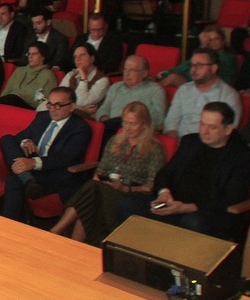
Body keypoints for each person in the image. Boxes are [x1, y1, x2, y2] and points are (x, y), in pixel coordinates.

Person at [115, 103, 250, 240]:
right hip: (173, 203)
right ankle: (136, 255)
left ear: (228, 129)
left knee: (193, 222)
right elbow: (165, 172)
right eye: (202, 124)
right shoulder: (190, 141)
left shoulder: (242, 156)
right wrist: (164, 192)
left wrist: (188, 207)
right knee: (126, 203)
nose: (204, 131)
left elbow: (233, 198)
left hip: (207, 212)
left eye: (212, 127)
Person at [51, 102, 166, 245]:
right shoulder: (115, 141)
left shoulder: (154, 149)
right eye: (125, 122)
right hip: (104, 188)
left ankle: (56, 232)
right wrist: (100, 179)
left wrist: (126, 188)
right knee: (93, 191)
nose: (127, 128)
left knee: (93, 191)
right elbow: (101, 170)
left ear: (144, 124)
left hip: (130, 196)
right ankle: (72, 243)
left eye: (133, 124)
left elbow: (151, 186)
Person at [0, 86, 93, 221]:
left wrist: (33, 163)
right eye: (50, 104)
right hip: (31, 165)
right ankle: (27, 178)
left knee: (13, 181)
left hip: (55, 172)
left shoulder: (80, 128)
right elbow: (19, 137)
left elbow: (65, 158)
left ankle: (7, 226)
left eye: (58, 105)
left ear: (72, 107)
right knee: (6, 139)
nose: (52, 109)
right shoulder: (42, 117)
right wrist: (26, 141)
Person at [163, 47, 242, 138]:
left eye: (199, 65)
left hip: (208, 146)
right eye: (192, 65)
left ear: (213, 68)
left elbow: (227, 131)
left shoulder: (229, 95)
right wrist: (174, 143)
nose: (194, 69)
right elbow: (171, 121)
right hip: (179, 142)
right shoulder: (183, 89)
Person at [96, 55, 167, 138]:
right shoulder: (115, 87)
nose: (126, 74)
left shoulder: (155, 90)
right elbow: (104, 108)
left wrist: (134, 118)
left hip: (136, 132)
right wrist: (104, 117)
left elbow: (159, 118)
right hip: (111, 129)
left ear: (144, 74)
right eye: (125, 69)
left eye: (132, 70)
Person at [0, 41, 58, 118]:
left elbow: (46, 101)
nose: (30, 56)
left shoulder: (48, 75)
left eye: (34, 54)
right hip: (10, 101)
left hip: (29, 107)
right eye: (29, 54)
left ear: (43, 56)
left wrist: (22, 96)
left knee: (11, 98)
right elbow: (6, 91)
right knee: (2, 101)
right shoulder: (20, 70)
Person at [158, 25, 238, 87]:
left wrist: (203, 46)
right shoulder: (208, 54)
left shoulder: (228, 57)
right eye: (209, 40)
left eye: (216, 39)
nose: (213, 42)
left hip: (215, 86)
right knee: (170, 77)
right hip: (198, 80)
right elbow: (186, 65)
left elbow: (201, 71)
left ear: (223, 40)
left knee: (173, 77)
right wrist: (165, 74)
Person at [50, 44, 109, 118]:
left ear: (92, 59)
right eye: (75, 56)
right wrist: (80, 109)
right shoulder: (70, 75)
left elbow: (81, 102)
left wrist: (83, 78)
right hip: (65, 114)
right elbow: (58, 98)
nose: (78, 59)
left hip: (85, 119)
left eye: (82, 55)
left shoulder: (103, 80)